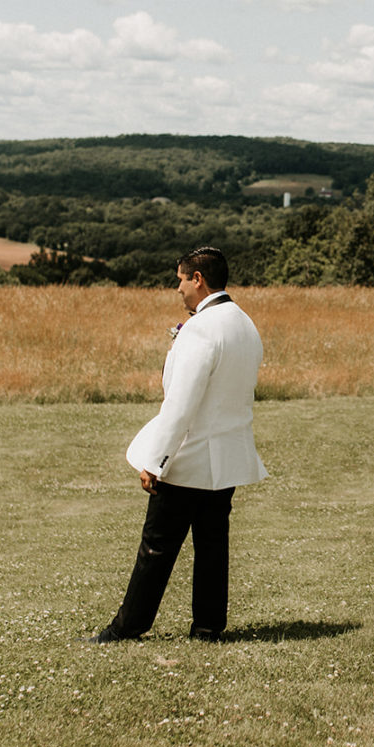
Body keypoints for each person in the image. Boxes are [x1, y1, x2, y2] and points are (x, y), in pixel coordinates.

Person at [89, 246, 267, 643]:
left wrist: (155, 459)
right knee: (212, 546)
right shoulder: (244, 323)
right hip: (226, 457)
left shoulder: (202, 329)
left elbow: (181, 404)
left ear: (198, 279)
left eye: (181, 280)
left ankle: (126, 628)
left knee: (156, 547)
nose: (179, 290)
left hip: (189, 457)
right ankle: (207, 628)